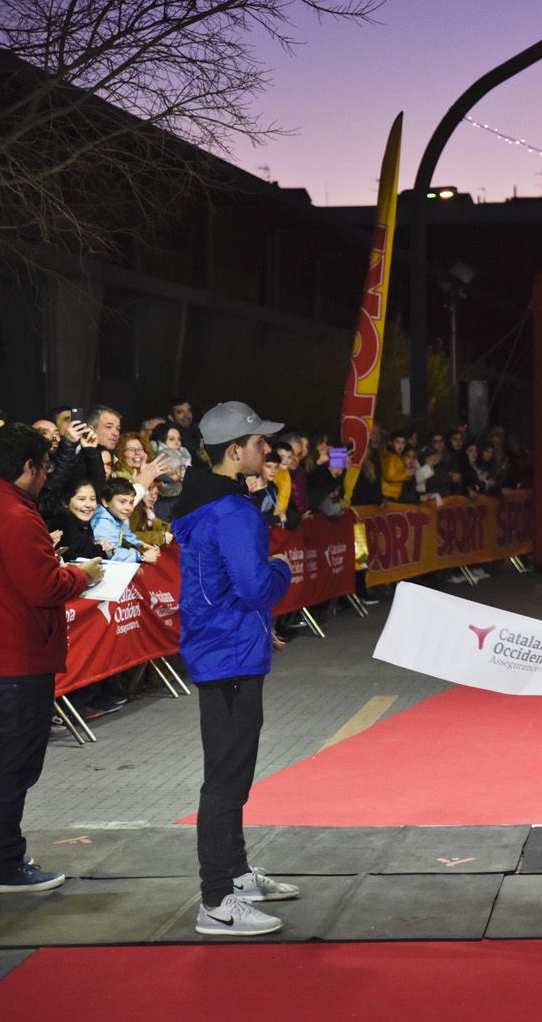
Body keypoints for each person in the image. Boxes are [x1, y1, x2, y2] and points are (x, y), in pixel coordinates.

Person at [0, 424, 104, 892]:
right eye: (43, 466)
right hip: (14, 662)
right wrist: (82, 575)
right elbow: (43, 587)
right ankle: (4, 865)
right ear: (27, 467)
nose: (46, 476)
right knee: (11, 765)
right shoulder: (14, 514)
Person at [172, 401, 298, 935]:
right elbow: (251, 586)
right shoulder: (233, 511)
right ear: (234, 451)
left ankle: (236, 875)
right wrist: (280, 571)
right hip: (230, 656)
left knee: (231, 772)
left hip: (222, 648)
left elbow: (220, 586)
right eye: (258, 443)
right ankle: (216, 900)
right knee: (227, 777)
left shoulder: (205, 503)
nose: (266, 450)